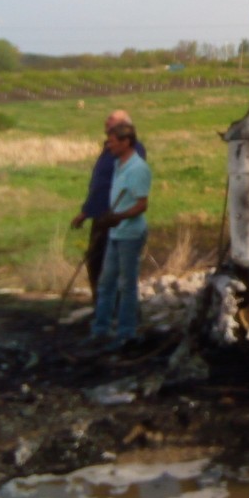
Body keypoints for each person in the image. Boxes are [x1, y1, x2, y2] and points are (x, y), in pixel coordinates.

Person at [89, 122, 151, 350]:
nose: (109, 146)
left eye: (112, 142)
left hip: (131, 235)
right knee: (106, 283)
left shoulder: (139, 169)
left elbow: (142, 205)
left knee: (127, 285)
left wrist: (120, 216)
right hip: (116, 233)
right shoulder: (118, 164)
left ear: (126, 142)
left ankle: (126, 332)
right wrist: (109, 217)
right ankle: (100, 329)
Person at [71, 110, 146, 299]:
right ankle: (102, 309)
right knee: (96, 262)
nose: (106, 122)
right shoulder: (109, 149)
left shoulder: (132, 149)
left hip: (116, 217)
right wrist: (85, 212)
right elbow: (100, 184)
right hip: (100, 215)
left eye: (111, 120)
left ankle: (117, 311)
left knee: (112, 265)